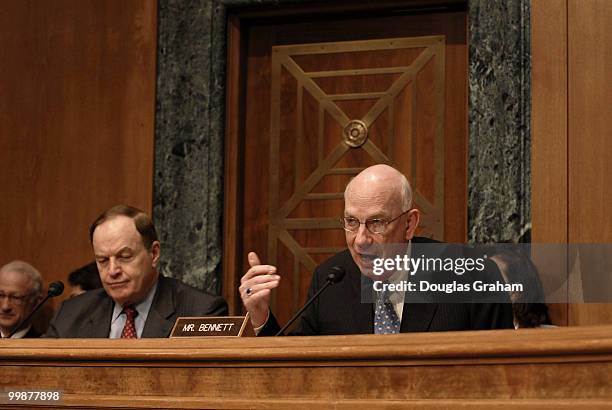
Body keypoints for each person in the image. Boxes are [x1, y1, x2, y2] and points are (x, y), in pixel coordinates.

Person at [240, 164, 513, 335]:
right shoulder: (332, 279)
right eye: (351, 222)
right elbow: (298, 372)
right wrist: (261, 316)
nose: (360, 240)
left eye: (377, 223)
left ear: (409, 224)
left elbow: (502, 374)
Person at [46, 205, 228, 338]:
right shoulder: (71, 315)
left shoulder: (201, 311)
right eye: (102, 260)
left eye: (124, 257)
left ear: (154, 253)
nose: (112, 271)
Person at [0, 260, 44, 338]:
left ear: (36, 303)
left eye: (16, 297)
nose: (5, 307)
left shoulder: (45, 346)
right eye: (0, 295)